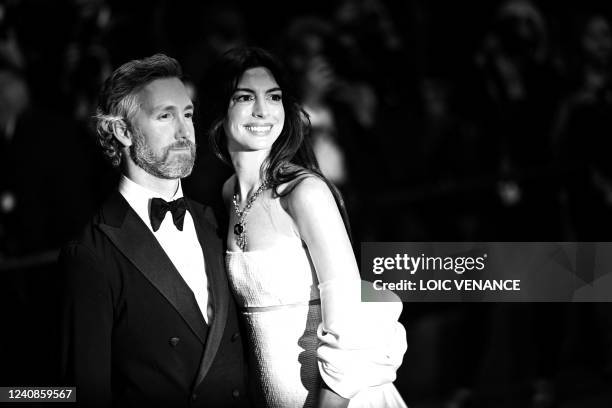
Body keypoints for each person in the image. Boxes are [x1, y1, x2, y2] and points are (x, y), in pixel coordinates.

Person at [203, 46, 407, 408]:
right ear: (221, 108)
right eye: (245, 97)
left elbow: (351, 326)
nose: (263, 111)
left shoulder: (305, 193)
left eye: (274, 97)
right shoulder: (228, 193)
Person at [59, 54, 249, 407]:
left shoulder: (216, 220)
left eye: (188, 114)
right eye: (165, 116)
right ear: (123, 131)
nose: (184, 131)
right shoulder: (91, 252)